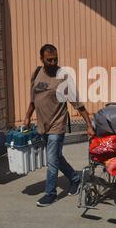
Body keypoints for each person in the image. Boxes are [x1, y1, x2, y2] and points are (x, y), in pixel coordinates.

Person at [24, 44, 95, 207]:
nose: (53, 62)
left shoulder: (63, 76)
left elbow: (77, 102)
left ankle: (50, 193)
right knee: (56, 157)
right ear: (41, 59)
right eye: (49, 60)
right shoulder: (36, 73)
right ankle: (75, 179)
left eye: (55, 59)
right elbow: (33, 100)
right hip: (42, 125)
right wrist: (27, 116)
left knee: (51, 159)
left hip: (57, 124)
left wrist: (89, 125)